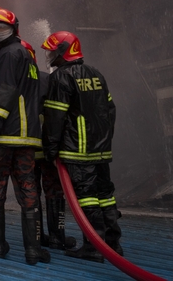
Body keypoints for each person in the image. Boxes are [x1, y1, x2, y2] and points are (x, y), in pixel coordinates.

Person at [42, 31, 120, 263]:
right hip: (100, 149)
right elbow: (110, 110)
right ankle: (113, 244)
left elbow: (55, 118)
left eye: (52, 51)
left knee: (86, 197)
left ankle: (94, 247)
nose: (49, 56)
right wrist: (104, 138)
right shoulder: (96, 74)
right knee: (105, 194)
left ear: (63, 51)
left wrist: (50, 150)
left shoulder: (61, 77)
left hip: (77, 150)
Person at [0, 8, 49, 265]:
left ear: (14, 28)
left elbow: (4, 90)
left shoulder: (9, 54)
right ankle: (33, 250)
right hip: (26, 139)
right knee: (28, 189)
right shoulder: (27, 57)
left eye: (1, 27)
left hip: (5, 136)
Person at [23, 40, 76, 251]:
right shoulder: (48, 79)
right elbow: (58, 113)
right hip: (48, 147)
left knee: (31, 193)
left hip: (25, 149)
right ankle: (57, 237)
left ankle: (36, 237)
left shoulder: (12, 81)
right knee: (54, 191)